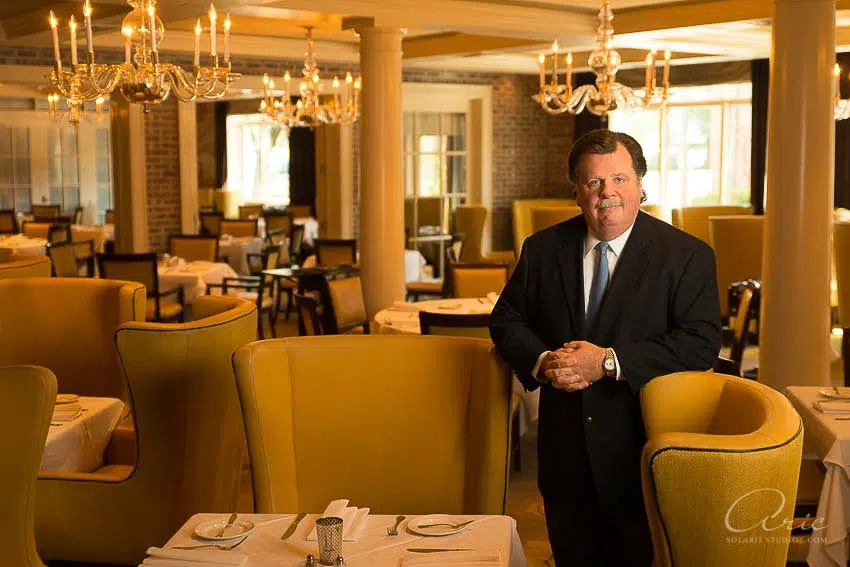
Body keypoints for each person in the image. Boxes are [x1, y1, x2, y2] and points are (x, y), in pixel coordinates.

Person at [489, 129, 721, 566]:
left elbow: (701, 342)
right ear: (576, 191)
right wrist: (544, 361)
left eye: (619, 179)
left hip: (642, 448)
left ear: (640, 185)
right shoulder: (542, 249)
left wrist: (608, 362)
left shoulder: (686, 255)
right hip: (564, 452)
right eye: (594, 182)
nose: (607, 193)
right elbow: (507, 319)